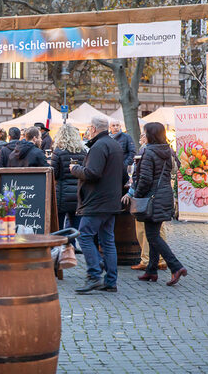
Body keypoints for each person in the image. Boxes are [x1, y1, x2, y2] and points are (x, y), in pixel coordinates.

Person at [70, 116, 126, 294]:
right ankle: (110, 281)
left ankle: (94, 275)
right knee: (107, 240)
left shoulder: (99, 146)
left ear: (93, 128)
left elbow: (93, 173)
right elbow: (124, 175)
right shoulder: (114, 144)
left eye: (88, 128)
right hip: (111, 200)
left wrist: (75, 170)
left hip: (97, 201)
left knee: (84, 235)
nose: (88, 131)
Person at [132, 122, 187, 286]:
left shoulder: (149, 152)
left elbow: (146, 179)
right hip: (164, 195)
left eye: (145, 132)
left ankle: (176, 266)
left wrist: (137, 195)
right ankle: (151, 270)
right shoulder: (166, 150)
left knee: (153, 236)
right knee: (153, 233)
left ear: (151, 134)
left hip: (152, 197)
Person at [125, 131, 167, 271]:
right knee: (158, 230)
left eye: (143, 135)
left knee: (144, 230)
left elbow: (141, 178)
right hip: (162, 195)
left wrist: (134, 194)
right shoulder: (166, 150)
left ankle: (147, 260)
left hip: (147, 197)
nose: (141, 137)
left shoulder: (145, 151)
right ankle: (159, 261)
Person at [50, 124, 86, 240]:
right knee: (75, 227)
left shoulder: (58, 152)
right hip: (78, 193)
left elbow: (54, 174)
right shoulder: (83, 152)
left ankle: (61, 250)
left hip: (61, 194)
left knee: (59, 226)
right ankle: (72, 249)